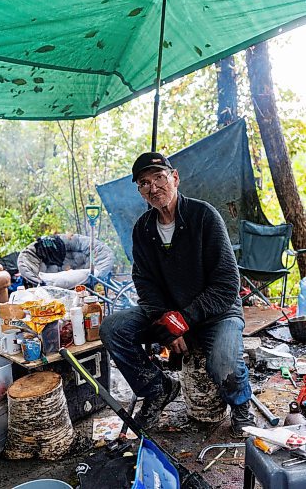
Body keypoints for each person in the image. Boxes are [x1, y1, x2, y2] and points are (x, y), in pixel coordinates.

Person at [100, 152, 255, 436]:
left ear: (175, 177)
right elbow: (145, 284)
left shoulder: (203, 216)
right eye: (144, 183)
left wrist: (180, 322)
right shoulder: (143, 229)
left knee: (225, 362)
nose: (153, 187)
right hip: (169, 313)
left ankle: (242, 408)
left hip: (216, 314)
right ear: (140, 191)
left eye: (159, 177)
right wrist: (166, 321)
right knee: (114, 328)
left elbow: (226, 285)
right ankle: (157, 388)